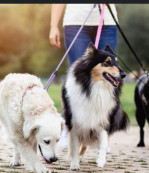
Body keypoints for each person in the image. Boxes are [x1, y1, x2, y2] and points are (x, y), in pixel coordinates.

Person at [49, 4, 119, 149]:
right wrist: (53, 26)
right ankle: (70, 130)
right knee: (78, 79)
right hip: (76, 21)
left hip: (108, 21)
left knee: (106, 77)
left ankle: (101, 133)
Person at [49, 4, 119, 65]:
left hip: (107, 22)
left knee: (107, 69)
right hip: (75, 23)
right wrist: (53, 26)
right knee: (79, 73)